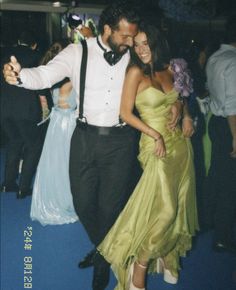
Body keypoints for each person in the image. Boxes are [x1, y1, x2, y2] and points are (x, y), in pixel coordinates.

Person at [3, 2, 182, 289]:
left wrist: (179, 105)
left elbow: (162, 79)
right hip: (84, 138)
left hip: (121, 142)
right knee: (83, 203)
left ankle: (101, 263)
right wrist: (21, 75)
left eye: (133, 37)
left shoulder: (132, 57)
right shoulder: (78, 51)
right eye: (124, 36)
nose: (130, 42)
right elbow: (46, 74)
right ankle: (105, 249)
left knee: (110, 208)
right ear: (107, 29)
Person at [98, 18, 199, 290]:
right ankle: (138, 266)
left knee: (177, 204)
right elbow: (125, 113)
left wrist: (185, 113)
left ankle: (167, 255)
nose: (141, 49)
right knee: (165, 210)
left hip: (180, 144)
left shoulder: (171, 67)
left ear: (156, 42)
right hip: (154, 145)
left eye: (146, 43)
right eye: (137, 44)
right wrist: (154, 134)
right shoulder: (135, 73)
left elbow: (182, 96)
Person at [30, 40, 78, 226]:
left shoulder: (52, 77)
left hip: (56, 123)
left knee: (54, 164)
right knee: (67, 165)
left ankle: (56, 200)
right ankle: (67, 202)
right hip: (68, 124)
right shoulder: (73, 77)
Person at [0, 30, 44, 199]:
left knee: (14, 142)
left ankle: (8, 184)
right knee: (33, 146)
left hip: (4, 110)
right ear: (34, 44)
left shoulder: (3, 54)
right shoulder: (36, 56)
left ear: (19, 40)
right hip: (25, 111)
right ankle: (23, 189)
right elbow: (41, 85)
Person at [205, 13, 236, 254]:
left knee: (217, 176)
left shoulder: (216, 56)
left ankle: (208, 221)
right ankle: (223, 237)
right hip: (229, 126)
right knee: (229, 185)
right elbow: (233, 106)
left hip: (215, 122)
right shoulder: (233, 61)